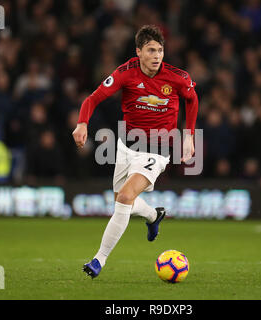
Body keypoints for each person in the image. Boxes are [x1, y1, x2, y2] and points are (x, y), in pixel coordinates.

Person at [72, 25, 198, 278]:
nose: (156, 56)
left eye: (160, 50)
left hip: (158, 150)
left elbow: (192, 99)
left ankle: (99, 260)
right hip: (126, 147)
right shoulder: (125, 73)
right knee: (121, 198)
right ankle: (153, 215)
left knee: (126, 197)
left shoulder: (177, 77)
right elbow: (92, 99)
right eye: (151, 50)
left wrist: (189, 135)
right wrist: (82, 122)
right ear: (138, 51)